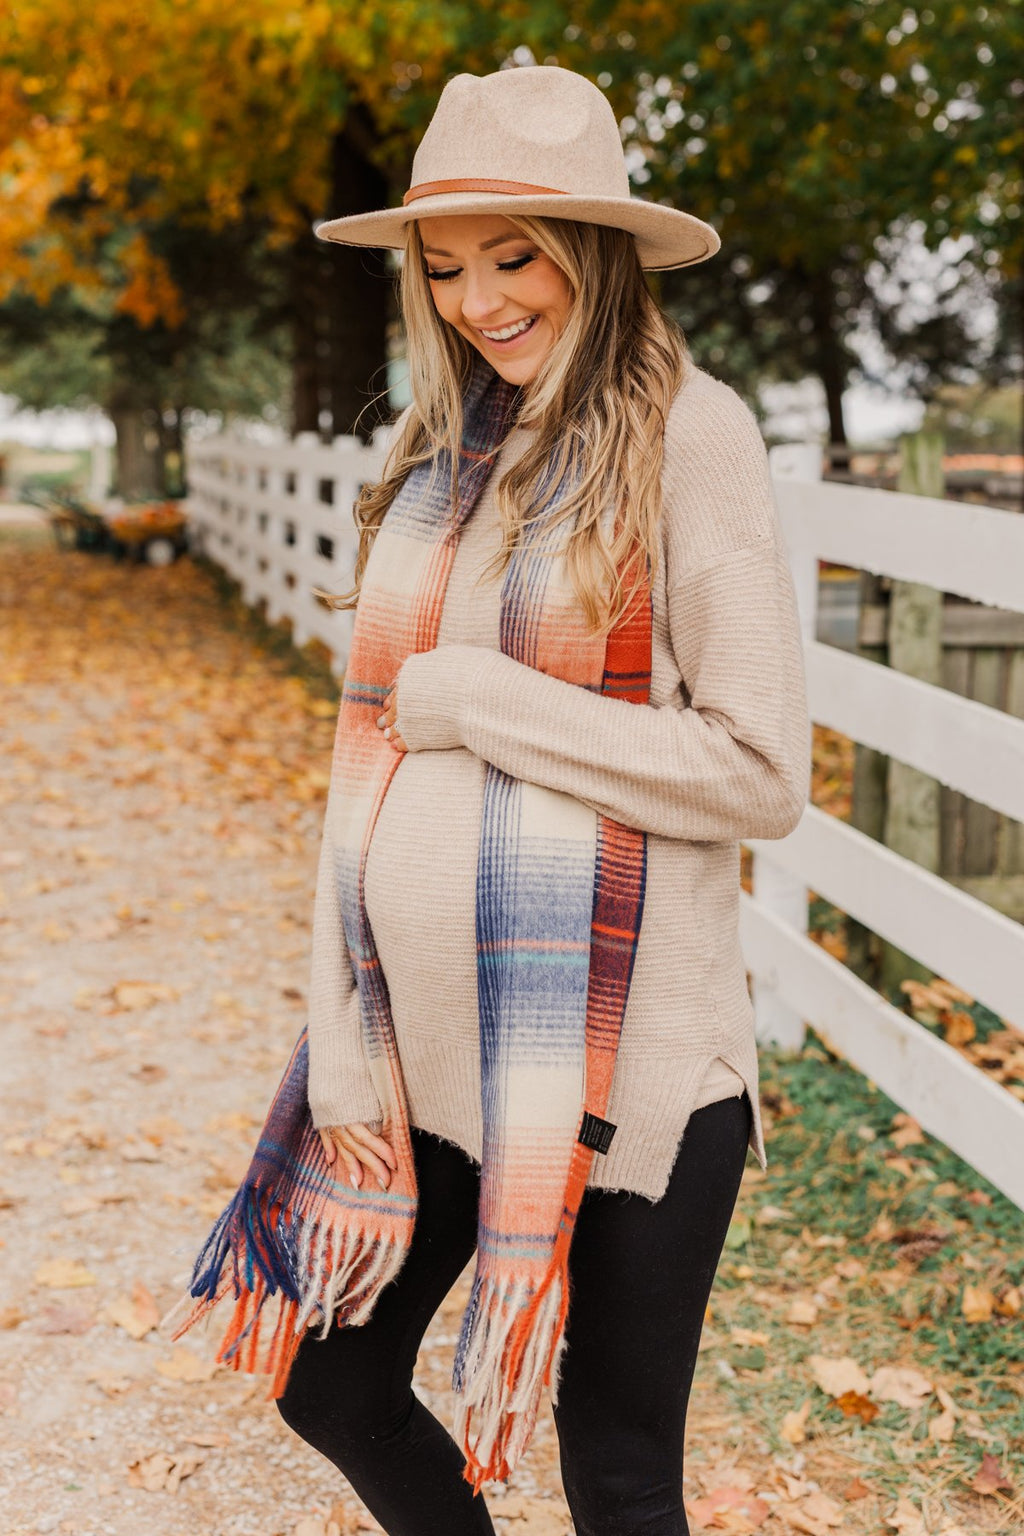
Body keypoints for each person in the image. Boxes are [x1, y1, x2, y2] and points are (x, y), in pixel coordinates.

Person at [175, 64, 811, 1536]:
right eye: (447, 267)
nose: (477, 300)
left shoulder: (690, 436)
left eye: (514, 256)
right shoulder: (446, 453)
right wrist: (344, 1037)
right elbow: (365, 776)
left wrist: (488, 700)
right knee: (332, 1384)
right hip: (431, 1051)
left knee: (620, 1471)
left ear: (593, 250)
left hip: (629, 1065)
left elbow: (761, 768)